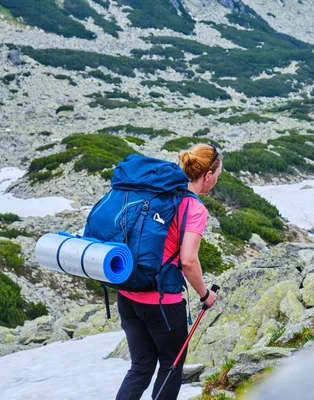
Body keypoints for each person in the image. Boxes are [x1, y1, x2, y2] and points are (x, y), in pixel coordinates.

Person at [116, 143, 221, 400]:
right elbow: (188, 261)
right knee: (171, 365)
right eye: (218, 175)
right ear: (208, 175)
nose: (216, 181)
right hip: (161, 301)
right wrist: (205, 294)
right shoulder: (193, 207)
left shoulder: (156, 194)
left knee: (140, 366)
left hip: (128, 293)